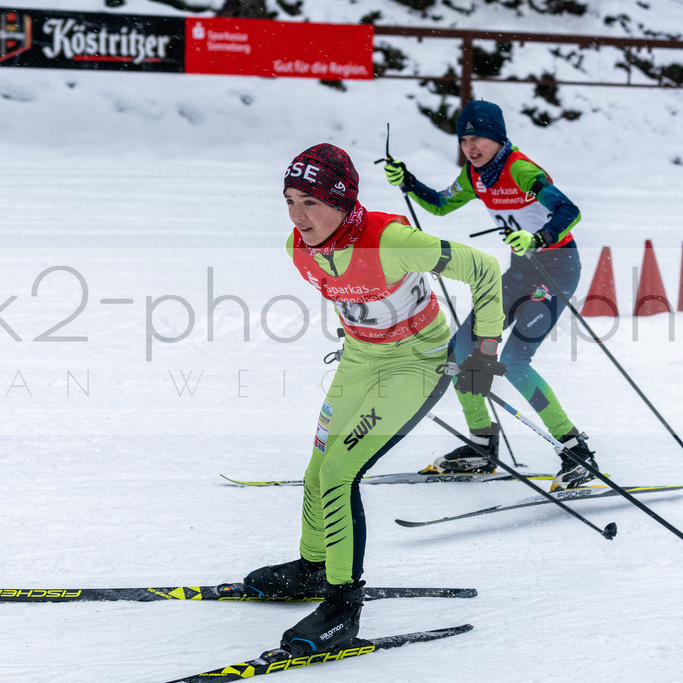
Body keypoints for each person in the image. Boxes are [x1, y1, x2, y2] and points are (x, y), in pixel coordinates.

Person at [244, 143, 504, 654]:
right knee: (319, 467)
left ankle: (342, 606)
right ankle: (312, 568)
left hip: (415, 365)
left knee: (342, 473)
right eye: (290, 201)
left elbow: (484, 270)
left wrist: (485, 347)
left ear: (342, 202)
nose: (299, 216)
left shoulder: (391, 239)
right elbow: (356, 296)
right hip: (360, 360)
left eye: (311, 203)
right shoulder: (299, 248)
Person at [383, 99, 598, 492]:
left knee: (515, 360)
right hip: (520, 272)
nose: (471, 146)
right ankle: (482, 444)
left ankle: (576, 451)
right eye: (464, 139)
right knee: (460, 353)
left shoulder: (520, 169)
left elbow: (569, 211)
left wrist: (538, 237)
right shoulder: (474, 176)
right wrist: (408, 182)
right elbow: (443, 205)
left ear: (497, 138)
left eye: (478, 137)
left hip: (557, 268)